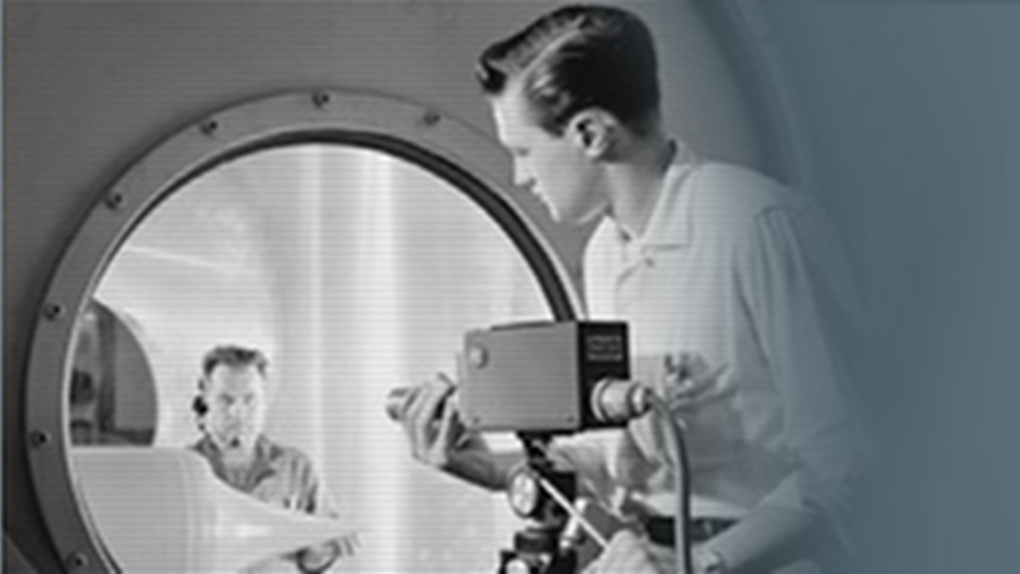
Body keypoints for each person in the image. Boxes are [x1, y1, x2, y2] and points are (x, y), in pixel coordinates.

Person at [396, 4, 870, 574]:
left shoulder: (755, 223)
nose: (520, 177)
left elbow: (849, 461)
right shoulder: (605, 252)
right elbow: (622, 458)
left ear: (591, 134)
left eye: (523, 152)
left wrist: (700, 563)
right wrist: (490, 468)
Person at [191, 345, 358, 573]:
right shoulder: (182, 473)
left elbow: (311, 564)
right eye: (226, 400)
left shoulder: (297, 469)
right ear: (206, 397)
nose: (238, 413)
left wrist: (322, 549)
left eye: (249, 400)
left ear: (265, 399)